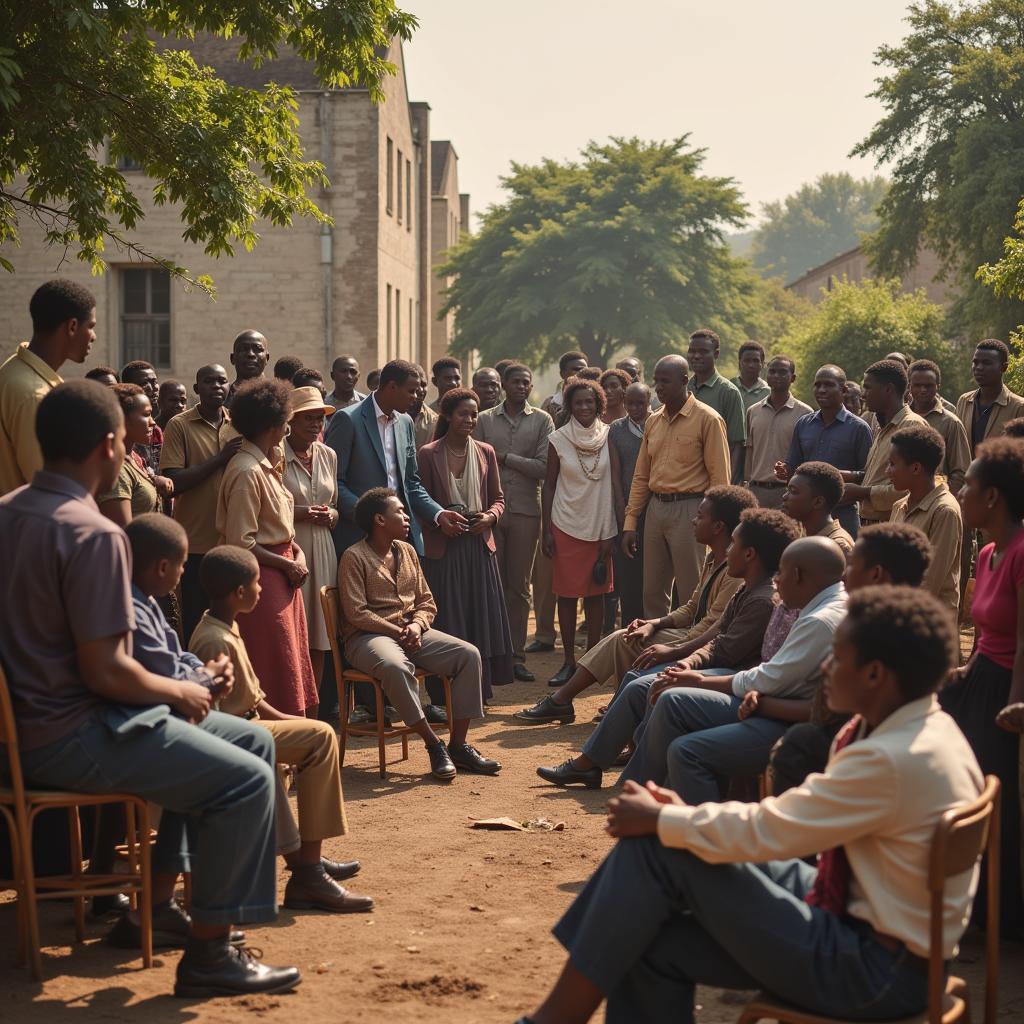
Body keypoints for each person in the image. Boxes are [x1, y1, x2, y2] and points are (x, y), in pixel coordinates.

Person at [520, 587, 981, 1024]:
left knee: (657, 847)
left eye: (836, 659)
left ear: (875, 675)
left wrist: (669, 819)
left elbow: (774, 830)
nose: (825, 670)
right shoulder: (933, 730)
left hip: (871, 971)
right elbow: (781, 825)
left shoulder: (889, 758)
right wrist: (677, 817)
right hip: (887, 940)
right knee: (646, 937)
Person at [0, 380, 299, 997]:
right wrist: (182, 693)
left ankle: (156, 908)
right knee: (245, 776)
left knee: (255, 745)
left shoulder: (8, 513)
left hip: (27, 731)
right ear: (111, 447)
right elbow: (106, 670)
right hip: (71, 735)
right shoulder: (95, 532)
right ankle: (211, 955)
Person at [534, 507, 795, 787]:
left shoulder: (762, 600)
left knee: (647, 685)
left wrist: (684, 661)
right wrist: (686, 661)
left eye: (735, 544)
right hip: (717, 665)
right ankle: (594, 762)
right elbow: (717, 633)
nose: (729, 549)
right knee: (637, 681)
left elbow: (724, 650)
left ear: (749, 554)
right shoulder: (748, 588)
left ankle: (624, 775)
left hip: (732, 675)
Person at [188, 544, 373, 914]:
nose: (261, 590)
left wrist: (297, 722)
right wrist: (304, 730)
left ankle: (307, 863)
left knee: (314, 731)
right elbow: (213, 715)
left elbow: (256, 701)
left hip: (248, 725)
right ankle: (309, 871)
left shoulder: (226, 626)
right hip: (230, 735)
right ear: (240, 592)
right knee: (320, 739)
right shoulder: (214, 639)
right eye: (257, 583)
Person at [622, 536, 846, 795]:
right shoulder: (824, 605)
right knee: (670, 699)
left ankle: (647, 800)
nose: (776, 581)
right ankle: (648, 797)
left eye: (781, 573)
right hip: (771, 703)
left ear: (797, 575)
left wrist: (699, 681)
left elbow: (768, 679)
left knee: (682, 739)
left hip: (793, 724)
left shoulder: (819, 621)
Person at [516, 486, 754, 726]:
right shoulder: (714, 558)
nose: (693, 520)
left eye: (701, 516)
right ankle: (588, 702)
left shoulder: (734, 572)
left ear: (718, 527)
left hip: (701, 645)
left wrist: (674, 647)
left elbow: (713, 627)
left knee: (624, 640)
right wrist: (654, 624)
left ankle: (567, 701)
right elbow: (691, 608)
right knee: (629, 635)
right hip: (691, 635)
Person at [324, 359, 465, 723]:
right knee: (363, 620)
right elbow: (335, 482)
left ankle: (409, 700)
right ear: (390, 387)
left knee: (411, 609)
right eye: (413, 389)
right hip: (360, 538)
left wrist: (436, 514)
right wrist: (373, 518)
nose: (419, 396)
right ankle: (370, 705)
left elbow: (412, 483)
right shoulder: (348, 419)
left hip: (402, 537)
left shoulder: (404, 423)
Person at [338, 487, 502, 780]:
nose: (406, 516)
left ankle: (459, 745)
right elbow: (356, 613)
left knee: (468, 655)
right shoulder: (354, 557)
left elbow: (426, 601)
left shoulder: (408, 550)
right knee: (395, 666)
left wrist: (415, 626)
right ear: (378, 519)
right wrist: (398, 629)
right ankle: (433, 744)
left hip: (412, 632)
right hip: (367, 638)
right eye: (399, 512)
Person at [768, 521, 932, 796]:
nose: (843, 576)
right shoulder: (920, 625)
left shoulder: (870, 636)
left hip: (848, 765)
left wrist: (763, 704)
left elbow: (826, 713)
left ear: (876, 574)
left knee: (798, 743)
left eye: (852, 565)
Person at [941, 436, 1024, 935]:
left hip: (1010, 688)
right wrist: (962, 674)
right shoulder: (988, 550)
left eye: (968, 485)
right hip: (984, 677)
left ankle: (1002, 917)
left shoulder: (1020, 552)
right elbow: (985, 636)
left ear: (992, 496)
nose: (961, 492)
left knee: (997, 802)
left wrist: (1016, 703)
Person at [217, 378, 318, 716]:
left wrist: (296, 555)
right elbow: (241, 542)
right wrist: (287, 564)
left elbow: (281, 527)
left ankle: (294, 746)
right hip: (264, 579)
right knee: (274, 664)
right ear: (273, 426)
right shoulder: (246, 471)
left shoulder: (265, 464)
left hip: (282, 571)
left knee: (289, 660)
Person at [418, 388, 514, 700]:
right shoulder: (428, 453)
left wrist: (490, 518)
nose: (470, 420)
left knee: (478, 617)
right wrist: (441, 521)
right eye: (463, 414)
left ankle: (478, 689)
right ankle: (442, 692)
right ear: (447, 415)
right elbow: (421, 501)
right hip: (444, 549)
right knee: (448, 619)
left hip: (478, 547)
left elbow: (499, 499)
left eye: (473, 414)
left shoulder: (486, 451)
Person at [623, 354, 731, 619]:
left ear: (685, 381)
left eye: (665, 381)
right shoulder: (653, 421)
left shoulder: (708, 419)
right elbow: (641, 476)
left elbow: (720, 479)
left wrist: (716, 523)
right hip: (656, 510)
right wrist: (630, 521)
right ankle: (650, 650)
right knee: (652, 592)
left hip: (692, 511)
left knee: (692, 589)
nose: (658, 387)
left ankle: (691, 652)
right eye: (656, 381)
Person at [475, 363, 555, 681]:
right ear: (504, 384)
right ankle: (491, 654)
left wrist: (505, 457)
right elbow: (476, 461)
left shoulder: (542, 420)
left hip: (524, 511)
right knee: (490, 586)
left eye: (527, 382)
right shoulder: (483, 420)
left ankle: (516, 656)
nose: (522, 387)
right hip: (489, 513)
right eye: (516, 382)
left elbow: (543, 467)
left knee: (519, 588)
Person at [542, 377, 619, 686]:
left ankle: (592, 661)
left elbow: (617, 483)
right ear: (569, 406)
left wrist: (616, 528)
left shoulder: (611, 435)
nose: (584, 407)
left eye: (590, 402)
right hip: (565, 524)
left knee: (597, 595)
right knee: (567, 594)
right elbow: (548, 485)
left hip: (602, 525)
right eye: (578, 403)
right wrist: (546, 529)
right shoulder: (558, 438)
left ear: (599, 404)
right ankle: (569, 662)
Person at [159, 363, 242, 641]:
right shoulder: (179, 425)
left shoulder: (237, 425)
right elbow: (173, 483)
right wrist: (220, 458)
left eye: (222, 381)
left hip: (233, 542)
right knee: (196, 626)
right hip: (195, 544)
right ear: (196, 389)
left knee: (229, 628)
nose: (216, 387)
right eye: (209, 381)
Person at [0, 278, 96, 496]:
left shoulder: (15, 368)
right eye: (90, 326)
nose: (93, 336)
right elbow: (50, 489)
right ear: (72, 326)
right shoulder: (34, 396)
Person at [282, 386, 339, 694]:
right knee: (294, 632)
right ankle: (295, 703)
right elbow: (269, 506)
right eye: (309, 419)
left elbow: (335, 504)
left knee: (321, 633)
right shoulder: (276, 454)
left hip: (324, 548)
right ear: (291, 419)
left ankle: (314, 709)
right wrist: (301, 512)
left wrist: (332, 515)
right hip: (294, 549)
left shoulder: (328, 454)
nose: (317, 425)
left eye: (320, 419)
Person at [774, 364, 872, 537]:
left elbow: (868, 475)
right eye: (818, 385)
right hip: (805, 515)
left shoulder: (859, 428)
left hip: (842, 514)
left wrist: (840, 475)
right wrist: (785, 470)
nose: (822, 390)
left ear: (843, 389)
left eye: (828, 385)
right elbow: (794, 467)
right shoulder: (804, 424)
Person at [841, 360, 927, 527]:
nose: (862, 394)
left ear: (888, 389)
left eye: (867, 387)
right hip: (871, 523)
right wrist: (844, 476)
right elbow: (878, 476)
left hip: (893, 525)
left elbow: (913, 487)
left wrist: (863, 493)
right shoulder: (883, 427)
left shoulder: (912, 426)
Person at [887, 424, 962, 617]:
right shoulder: (900, 506)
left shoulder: (944, 511)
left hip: (929, 624)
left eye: (893, 464)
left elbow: (930, 581)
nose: (888, 471)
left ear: (915, 468)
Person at [607, 382, 652, 627]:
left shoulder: (658, 425)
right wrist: (623, 509)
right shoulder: (616, 429)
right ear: (624, 402)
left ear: (649, 402)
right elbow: (615, 473)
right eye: (630, 403)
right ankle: (628, 629)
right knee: (628, 575)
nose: (635, 408)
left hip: (654, 508)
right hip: (626, 510)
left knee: (652, 575)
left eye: (640, 403)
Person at [742, 355, 811, 508]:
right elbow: (749, 450)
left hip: (789, 491)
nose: (776, 376)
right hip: (756, 491)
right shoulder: (753, 411)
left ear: (792, 378)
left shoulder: (805, 413)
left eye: (782, 372)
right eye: (772, 372)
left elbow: (806, 455)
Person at [97, 384, 164, 526]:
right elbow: (123, 533)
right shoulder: (117, 469)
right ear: (121, 419)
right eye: (146, 415)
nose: (153, 422)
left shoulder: (135, 458)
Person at [686, 328, 745, 481]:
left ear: (716, 354)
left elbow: (736, 445)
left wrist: (725, 487)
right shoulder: (684, 388)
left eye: (703, 351)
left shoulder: (728, 392)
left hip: (714, 479)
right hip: (685, 480)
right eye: (692, 351)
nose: (696, 356)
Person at [907, 359, 971, 493]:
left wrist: (941, 499)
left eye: (929, 385)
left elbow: (961, 472)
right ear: (909, 387)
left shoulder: (951, 422)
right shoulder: (900, 419)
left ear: (938, 386)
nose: (923, 390)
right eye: (917, 385)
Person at [956, 338, 1024, 456]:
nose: (979, 367)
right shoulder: (964, 401)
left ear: (1004, 368)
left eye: (986, 363)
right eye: (975, 362)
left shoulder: (1018, 406)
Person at [780, 461, 854, 555]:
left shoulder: (836, 547)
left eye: (793, 491)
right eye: (787, 490)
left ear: (818, 502)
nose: (784, 496)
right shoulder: (799, 534)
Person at [120, 360, 165, 476]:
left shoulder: (155, 431)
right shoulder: (121, 430)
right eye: (144, 383)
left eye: (154, 382)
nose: (152, 388)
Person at [225, 329, 270, 408]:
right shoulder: (221, 400)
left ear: (267, 358)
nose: (250, 354)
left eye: (258, 349)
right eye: (243, 349)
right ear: (232, 358)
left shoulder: (278, 398)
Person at [542, 350, 589, 418]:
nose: (582, 373)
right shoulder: (550, 404)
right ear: (562, 374)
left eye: (585, 370)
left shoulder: (595, 401)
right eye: (576, 369)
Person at [731, 339, 770, 412]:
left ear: (762, 364)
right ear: (739, 363)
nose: (751, 365)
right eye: (747, 360)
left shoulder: (768, 392)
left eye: (755, 361)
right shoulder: (729, 388)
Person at [409, 363, 440, 450]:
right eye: (416, 385)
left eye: (423, 385)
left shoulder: (434, 421)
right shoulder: (390, 416)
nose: (420, 390)